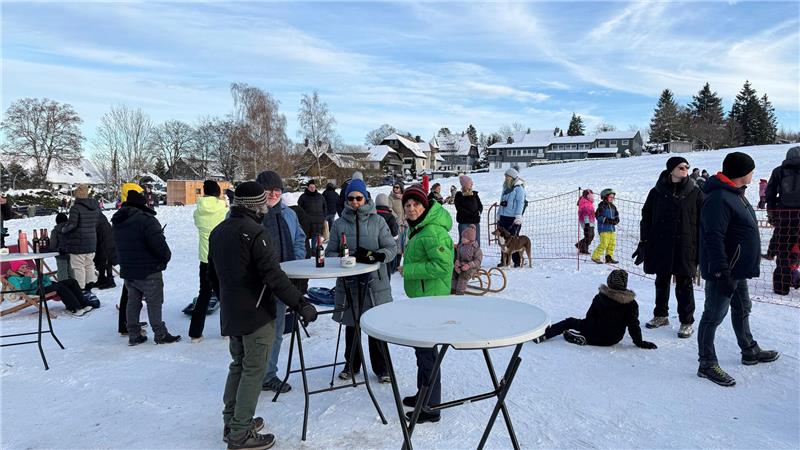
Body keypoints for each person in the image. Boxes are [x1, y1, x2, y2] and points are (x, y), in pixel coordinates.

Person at [207, 181, 318, 450]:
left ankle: (233, 421)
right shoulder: (256, 233)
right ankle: (240, 433)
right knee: (253, 370)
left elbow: (212, 276)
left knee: (239, 365)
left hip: (233, 312)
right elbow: (274, 277)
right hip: (257, 314)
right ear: (256, 205)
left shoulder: (219, 231)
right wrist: (301, 304)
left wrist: (227, 302)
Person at [697, 152, 779, 387]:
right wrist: (722, 271)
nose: (753, 174)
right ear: (742, 173)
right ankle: (706, 363)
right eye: (751, 170)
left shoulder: (734, 194)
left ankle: (749, 350)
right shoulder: (719, 198)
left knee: (743, 307)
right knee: (713, 315)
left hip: (737, 268)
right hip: (724, 269)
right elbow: (713, 237)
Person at [325, 178, 396, 382]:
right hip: (349, 282)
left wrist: (376, 256)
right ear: (346, 200)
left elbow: (391, 248)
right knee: (351, 325)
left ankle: (382, 369)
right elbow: (330, 252)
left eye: (359, 198)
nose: (355, 202)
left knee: (375, 326)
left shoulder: (378, 221)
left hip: (375, 283)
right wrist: (341, 259)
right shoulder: (339, 224)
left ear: (366, 198)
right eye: (351, 198)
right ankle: (351, 365)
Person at [398, 184, 454, 424]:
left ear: (426, 206)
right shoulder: (420, 228)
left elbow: (443, 266)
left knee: (428, 355)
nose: (411, 209)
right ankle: (424, 394)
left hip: (431, 301)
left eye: (416, 204)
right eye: (407, 205)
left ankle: (431, 407)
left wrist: (409, 270)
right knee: (422, 352)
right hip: (423, 298)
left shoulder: (432, 231)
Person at [636, 157, 702, 339]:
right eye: (681, 167)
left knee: (684, 283)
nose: (685, 170)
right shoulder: (656, 192)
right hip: (661, 243)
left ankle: (686, 321)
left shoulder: (695, 192)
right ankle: (661, 315)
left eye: (687, 167)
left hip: (685, 245)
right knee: (661, 280)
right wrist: (645, 240)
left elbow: (703, 221)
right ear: (671, 169)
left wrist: (701, 246)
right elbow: (647, 216)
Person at [255, 170, 307, 394]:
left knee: (276, 331)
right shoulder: (248, 213)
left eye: (277, 190)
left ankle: (268, 374)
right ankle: (250, 376)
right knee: (254, 334)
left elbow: (299, 238)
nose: (273, 194)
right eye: (268, 190)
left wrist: (294, 265)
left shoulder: (288, 213)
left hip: (281, 282)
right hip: (254, 285)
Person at [112, 190, 180, 345]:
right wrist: (165, 257)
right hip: (149, 269)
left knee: (133, 301)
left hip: (128, 269)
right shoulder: (147, 220)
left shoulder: (118, 220)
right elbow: (160, 247)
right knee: (154, 301)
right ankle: (160, 333)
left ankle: (134, 334)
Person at [534, 270, 657, 349]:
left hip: (594, 331)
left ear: (609, 283)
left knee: (570, 322)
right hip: (613, 339)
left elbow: (589, 316)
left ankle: (545, 335)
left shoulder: (600, 297)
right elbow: (633, 325)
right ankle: (584, 337)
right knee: (598, 328)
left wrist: (587, 326)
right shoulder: (631, 303)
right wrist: (640, 342)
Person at [189, 180, 229, 342]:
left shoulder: (198, 211)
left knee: (204, 294)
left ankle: (195, 333)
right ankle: (227, 330)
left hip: (205, 258)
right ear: (218, 192)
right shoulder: (224, 210)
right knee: (224, 295)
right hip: (221, 257)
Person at [765, 146, 800, 295]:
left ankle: (781, 287)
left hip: (784, 216)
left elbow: (770, 193)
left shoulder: (779, 171)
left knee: (783, 251)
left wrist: (772, 214)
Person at [6, 260, 96, 316]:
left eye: (26, 266)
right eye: (23, 267)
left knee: (71, 281)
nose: (26, 268)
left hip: (45, 286)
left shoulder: (31, 272)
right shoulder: (13, 279)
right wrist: (27, 278)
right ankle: (75, 308)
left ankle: (83, 304)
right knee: (60, 287)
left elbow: (46, 278)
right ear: (16, 269)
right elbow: (24, 291)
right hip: (35, 291)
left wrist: (39, 275)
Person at [61, 184, 100, 302]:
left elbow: (72, 224)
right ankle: (89, 286)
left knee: (78, 266)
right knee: (89, 264)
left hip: (78, 242)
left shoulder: (76, 208)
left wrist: (64, 229)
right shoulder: (95, 207)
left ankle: (81, 289)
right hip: (91, 240)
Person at [497, 168, 526, 267]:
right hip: (503, 217)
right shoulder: (505, 188)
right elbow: (501, 202)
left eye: (507, 176)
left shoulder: (519, 189)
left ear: (512, 177)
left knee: (513, 240)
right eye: (505, 176)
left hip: (512, 218)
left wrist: (518, 216)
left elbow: (520, 203)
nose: (505, 178)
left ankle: (516, 261)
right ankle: (503, 261)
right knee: (502, 240)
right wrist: (499, 214)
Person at [591, 188, 619, 264]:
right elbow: (598, 216)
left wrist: (616, 220)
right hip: (604, 229)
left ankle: (609, 257)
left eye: (613, 197)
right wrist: (608, 220)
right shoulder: (602, 206)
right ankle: (595, 256)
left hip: (612, 229)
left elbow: (616, 215)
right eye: (610, 197)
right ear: (605, 197)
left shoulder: (613, 207)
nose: (612, 198)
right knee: (604, 243)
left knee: (612, 244)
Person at [453, 175, 483, 246]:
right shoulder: (459, 195)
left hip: (475, 222)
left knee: (476, 241)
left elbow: (480, 206)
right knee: (463, 241)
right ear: (465, 184)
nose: (472, 184)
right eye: (470, 182)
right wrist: (471, 214)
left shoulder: (475, 194)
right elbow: (459, 208)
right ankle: (461, 256)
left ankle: (476, 256)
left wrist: (479, 212)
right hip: (464, 222)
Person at [453, 225, 482, 295]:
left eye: (464, 238)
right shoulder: (461, 246)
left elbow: (478, 261)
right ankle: (453, 289)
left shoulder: (476, 249)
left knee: (463, 275)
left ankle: (460, 292)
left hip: (472, 267)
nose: (462, 239)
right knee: (454, 273)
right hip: (462, 264)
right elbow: (458, 257)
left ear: (470, 239)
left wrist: (468, 265)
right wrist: (457, 264)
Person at [297, 179, 327, 248]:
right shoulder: (303, 197)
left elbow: (325, 207)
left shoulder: (320, 196)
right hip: (307, 222)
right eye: (311, 187)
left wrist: (324, 217)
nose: (312, 188)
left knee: (316, 237)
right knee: (305, 237)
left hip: (318, 222)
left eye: (313, 187)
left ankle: (314, 250)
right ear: (308, 187)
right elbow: (299, 209)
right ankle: (306, 251)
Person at [93, 211, 118, 290]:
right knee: (101, 259)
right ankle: (101, 278)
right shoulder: (98, 215)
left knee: (106, 259)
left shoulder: (95, 216)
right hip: (104, 239)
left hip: (105, 240)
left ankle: (110, 280)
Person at [50, 213, 71, 281]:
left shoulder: (55, 231)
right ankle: (74, 286)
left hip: (61, 254)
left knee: (62, 271)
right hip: (73, 253)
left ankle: (64, 287)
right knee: (72, 271)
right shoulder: (72, 228)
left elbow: (53, 245)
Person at [575, 189, 595, 254]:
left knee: (591, 235)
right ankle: (583, 247)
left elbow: (590, 212)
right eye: (590, 196)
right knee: (589, 235)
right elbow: (585, 213)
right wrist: (587, 223)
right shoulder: (585, 203)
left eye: (592, 195)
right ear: (586, 196)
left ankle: (580, 245)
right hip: (587, 222)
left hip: (591, 221)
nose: (591, 197)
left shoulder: (589, 202)